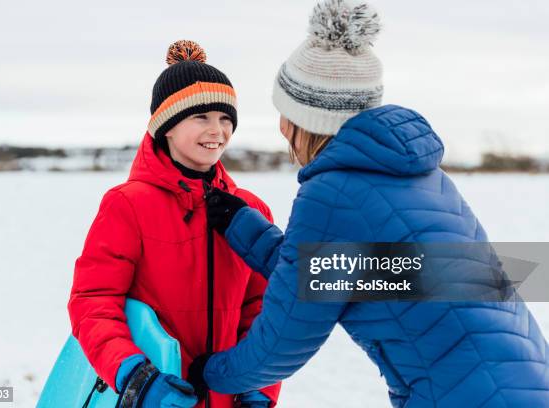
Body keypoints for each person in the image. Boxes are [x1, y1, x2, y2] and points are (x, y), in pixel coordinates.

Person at [187, 2, 549, 407]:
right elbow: (345, 277)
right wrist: (241, 225)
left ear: (306, 120)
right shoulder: (422, 177)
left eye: (284, 113)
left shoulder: (332, 192)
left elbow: (286, 337)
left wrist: (207, 372)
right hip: (527, 381)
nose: (281, 127)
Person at [68, 40, 280, 408]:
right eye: (202, 117)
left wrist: (260, 387)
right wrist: (136, 377)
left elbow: (264, 308)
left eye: (226, 119)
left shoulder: (249, 209)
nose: (218, 130)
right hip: (156, 396)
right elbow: (93, 302)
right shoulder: (127, 204)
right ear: (166, 126)